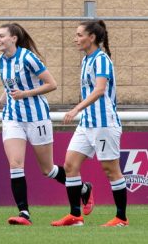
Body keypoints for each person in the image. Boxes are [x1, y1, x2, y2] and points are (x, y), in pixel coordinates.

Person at [0, 23, 93, 226]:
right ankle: (24, 213)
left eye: (1, 36)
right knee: (15, 164)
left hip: (37, 117)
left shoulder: (28, 57)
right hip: (12, 117)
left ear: (14, 38)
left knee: (48, 170)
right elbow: (10, 86)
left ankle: (83, 189)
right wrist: (1, 101)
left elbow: (51, 84)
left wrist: (25, 94)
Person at [52, 20, 127, 227]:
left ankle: (121, 218)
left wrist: (76, 108)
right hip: (87, 123)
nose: (75, 39)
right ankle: (75, 216)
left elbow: (100, 90)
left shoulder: (101, 59)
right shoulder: (86, 60)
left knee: (111, 169)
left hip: (104, 123)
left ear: (91, 37)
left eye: (79, 35)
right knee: (69, 165)